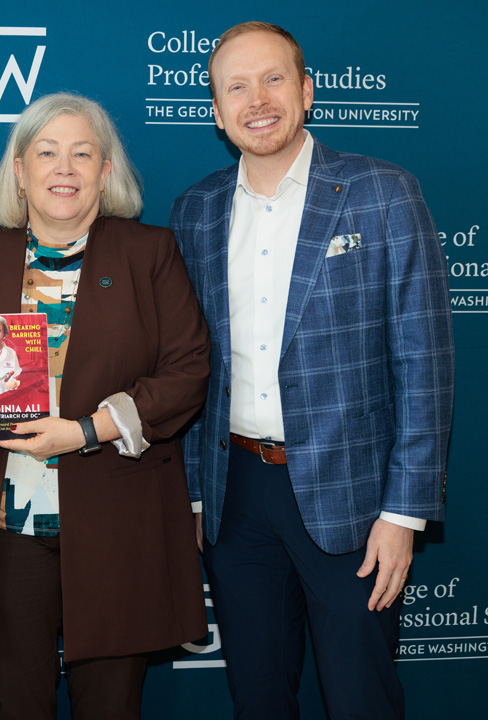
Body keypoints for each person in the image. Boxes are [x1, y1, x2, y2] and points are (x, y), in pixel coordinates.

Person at [169, 21, 454, 719]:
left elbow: (425, 365)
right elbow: (187, 363)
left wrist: (403, 513)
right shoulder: (195, 211)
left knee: (361, 700)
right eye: (237, 87)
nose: (257, 101)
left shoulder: (383, 193)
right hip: (235, 500)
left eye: (273, 79)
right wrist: (197, 497)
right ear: (217, 111)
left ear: (306, 91)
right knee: (258, 698)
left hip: (354, 500)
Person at [0, 93, 210, 719]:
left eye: (83, 154)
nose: (64, 168)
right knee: (15, 706)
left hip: (116, 526)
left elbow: (187, 373)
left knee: (111, 707)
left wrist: (86, 431)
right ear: (19, 171)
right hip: (5, 533)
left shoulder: (149, 252)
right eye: (47, 152)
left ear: (106, 172)